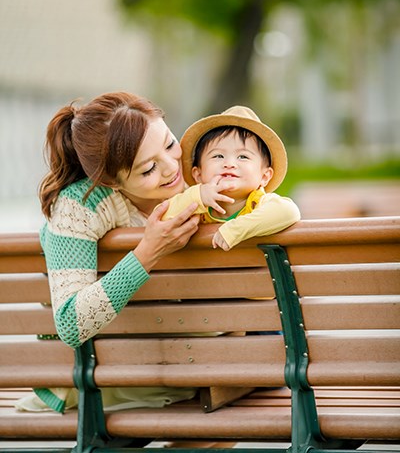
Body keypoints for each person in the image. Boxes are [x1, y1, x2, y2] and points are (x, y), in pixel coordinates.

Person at [16, 91, 200, 413]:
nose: (172, 168)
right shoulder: (81, 206)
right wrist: (148, 252)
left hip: (195, 361)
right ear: (111, 182)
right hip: (102, 375)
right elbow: (72, 324)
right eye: (148, 170)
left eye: (170, 144)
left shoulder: (203, 177)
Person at [160, 105, 300, 248]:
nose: (229, 164)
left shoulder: (259, 203)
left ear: (264, 176)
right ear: (198, 174)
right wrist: (198, 196)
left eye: (243, 157)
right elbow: (162, 217)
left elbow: (289, 211)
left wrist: (235, 230)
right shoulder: (196, 205)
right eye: (218, 156)